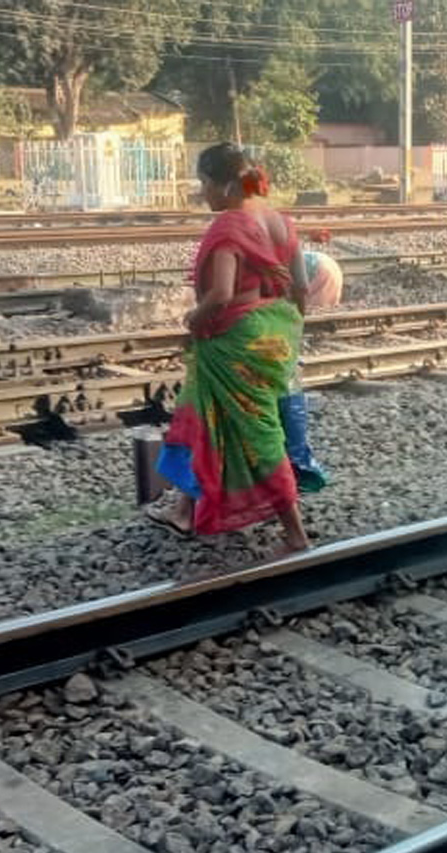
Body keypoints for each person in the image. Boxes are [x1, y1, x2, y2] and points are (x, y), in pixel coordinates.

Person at [145, 143, 310, 553]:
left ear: (224, 184)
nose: (202, 192)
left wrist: (192, 321)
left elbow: (220, 294)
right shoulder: (282, 223)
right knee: (200, 414)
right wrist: (288, 335)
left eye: (203, 183)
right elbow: (302, 288)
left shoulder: (229, 227)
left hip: (231, 341)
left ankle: (295, 534)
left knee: (259, 433)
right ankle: (183, 510)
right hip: (271, 336)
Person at [279, 247, 342, 493]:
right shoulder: (290, 247)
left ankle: (290, 476)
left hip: (323, 269)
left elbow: (300, 289)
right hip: (329, 266)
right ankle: (298, 470)